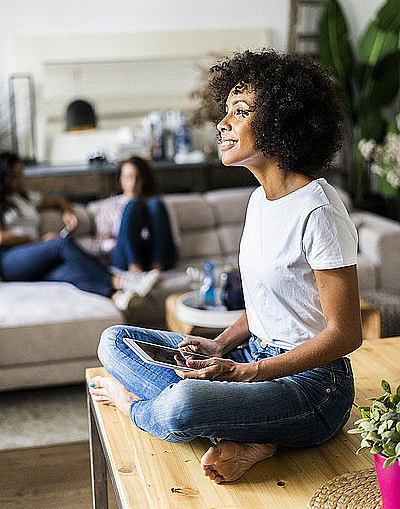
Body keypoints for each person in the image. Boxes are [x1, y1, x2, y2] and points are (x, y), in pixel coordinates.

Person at [90, 50, 362, 484]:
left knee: (183, 406)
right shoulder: (259, 201)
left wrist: (247, 373)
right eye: (226, 111)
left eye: (240, 112)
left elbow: (345, 334)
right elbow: (272, 305)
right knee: (114, 341)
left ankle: (140, 407)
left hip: (312, 387)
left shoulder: (320, 212)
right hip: (251, 356)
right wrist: (220, 347)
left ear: (280, 123)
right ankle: (253, 432)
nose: (223, 123)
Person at [0, 152, 157, 308]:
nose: (20, 180)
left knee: (72, 271)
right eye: (14, 176)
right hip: (9, 260)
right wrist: (39, 241)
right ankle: (120, 281)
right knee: (61, 244)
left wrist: (66, 211)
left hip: (33, 258)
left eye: (21, 174)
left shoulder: (25, 198)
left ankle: (116, 297)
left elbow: (58, 201)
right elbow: (1, 237)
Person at [95, 156, 177, 275]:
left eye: (137, 178)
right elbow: (100, 243)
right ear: (121, 179)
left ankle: (156, 269)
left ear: (144, 180)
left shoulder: (158, 204)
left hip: (156, 254)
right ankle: (135, 267)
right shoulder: (110, 205)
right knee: (133, 204)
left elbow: (173, 237)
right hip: (126, 255)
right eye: (128, 178)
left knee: (155, 203)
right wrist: (115, 243)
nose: (132, 183)